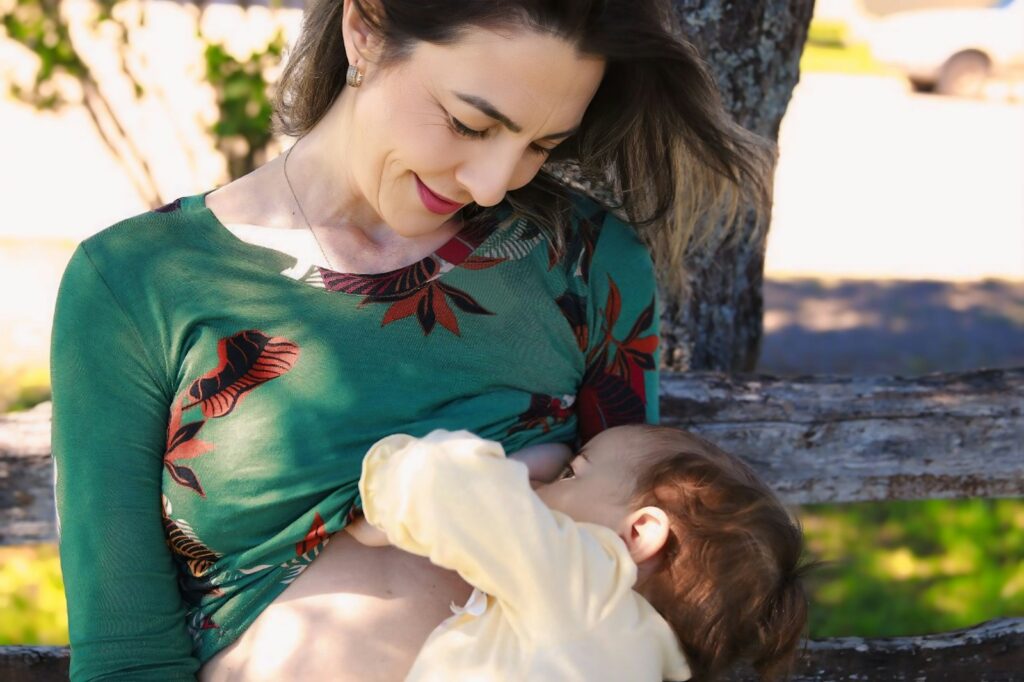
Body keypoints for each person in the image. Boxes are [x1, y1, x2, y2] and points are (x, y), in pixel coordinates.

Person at [49, 0, 774, 679]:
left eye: (541, 144)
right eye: (469, 122)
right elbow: (126, 650)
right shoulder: (138, 283)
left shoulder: (584, 264)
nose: (493, 184)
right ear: (365, 27)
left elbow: (644, 579)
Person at [344, 425, 809, 682]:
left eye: (572, 472)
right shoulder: (649, 662)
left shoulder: (588, 585)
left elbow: (443, 479)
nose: (547, 481)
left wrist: (388, 495)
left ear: (638, 533)